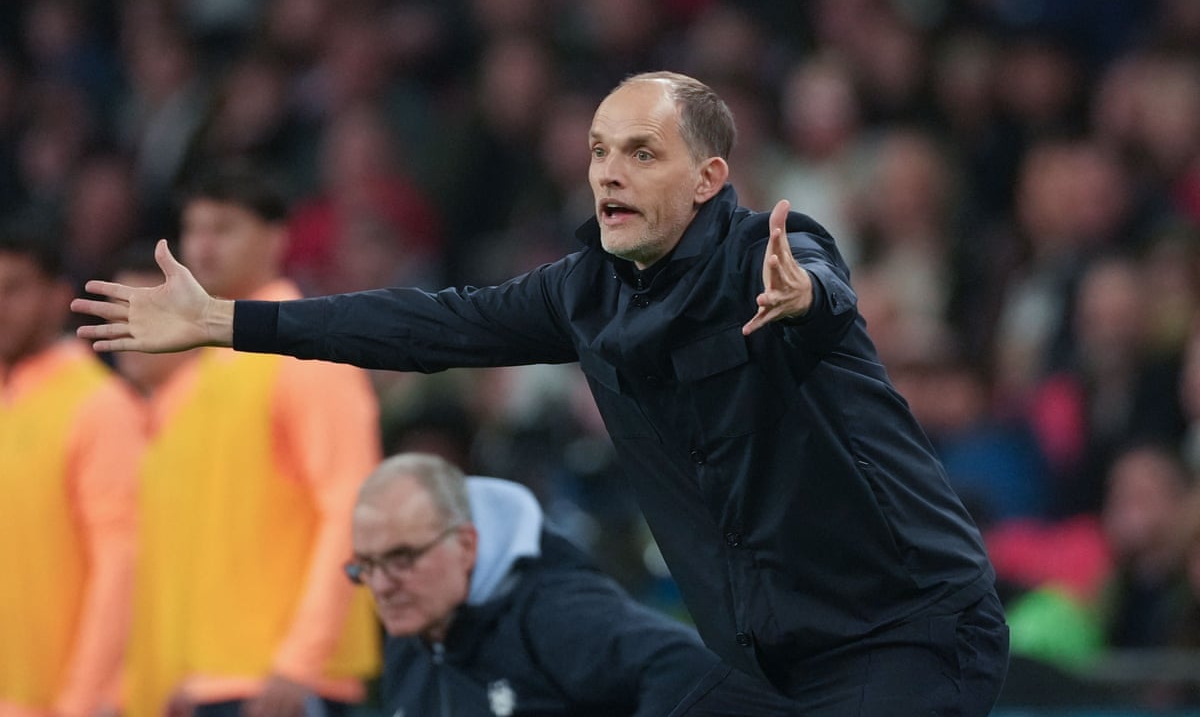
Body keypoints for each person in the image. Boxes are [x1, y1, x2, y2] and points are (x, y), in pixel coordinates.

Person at [73, 71, 1010, 715]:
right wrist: (225, 320)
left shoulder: (768, 254)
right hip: (765, 654)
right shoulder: (580, 292)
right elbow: (422, 327)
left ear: (708, 179)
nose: (609, 171)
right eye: (600, 151)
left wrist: (806, 299)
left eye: (641, 152)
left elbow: (824, 292)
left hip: (902, 629)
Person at [107, 163, 382, 717]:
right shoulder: (199, 373)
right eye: (194, 229)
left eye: (224, 228)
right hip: (209, 684)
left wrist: (299, 664)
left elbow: (350, 506)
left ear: (277, 238)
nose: (203, 247)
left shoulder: (308, 355)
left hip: (283, 686)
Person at [352, 452, 798, 716]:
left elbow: (697, 673)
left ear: (466, 545)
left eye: (402, 558)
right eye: (365, 566)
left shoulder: (555, 612)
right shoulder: (411, 635)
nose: (382, 586)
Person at [0, 216, 146, 717]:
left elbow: (120, 565)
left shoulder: (99, 406)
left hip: (62, 704)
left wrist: (82, 699)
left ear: (57, 295)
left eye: (14, 290)